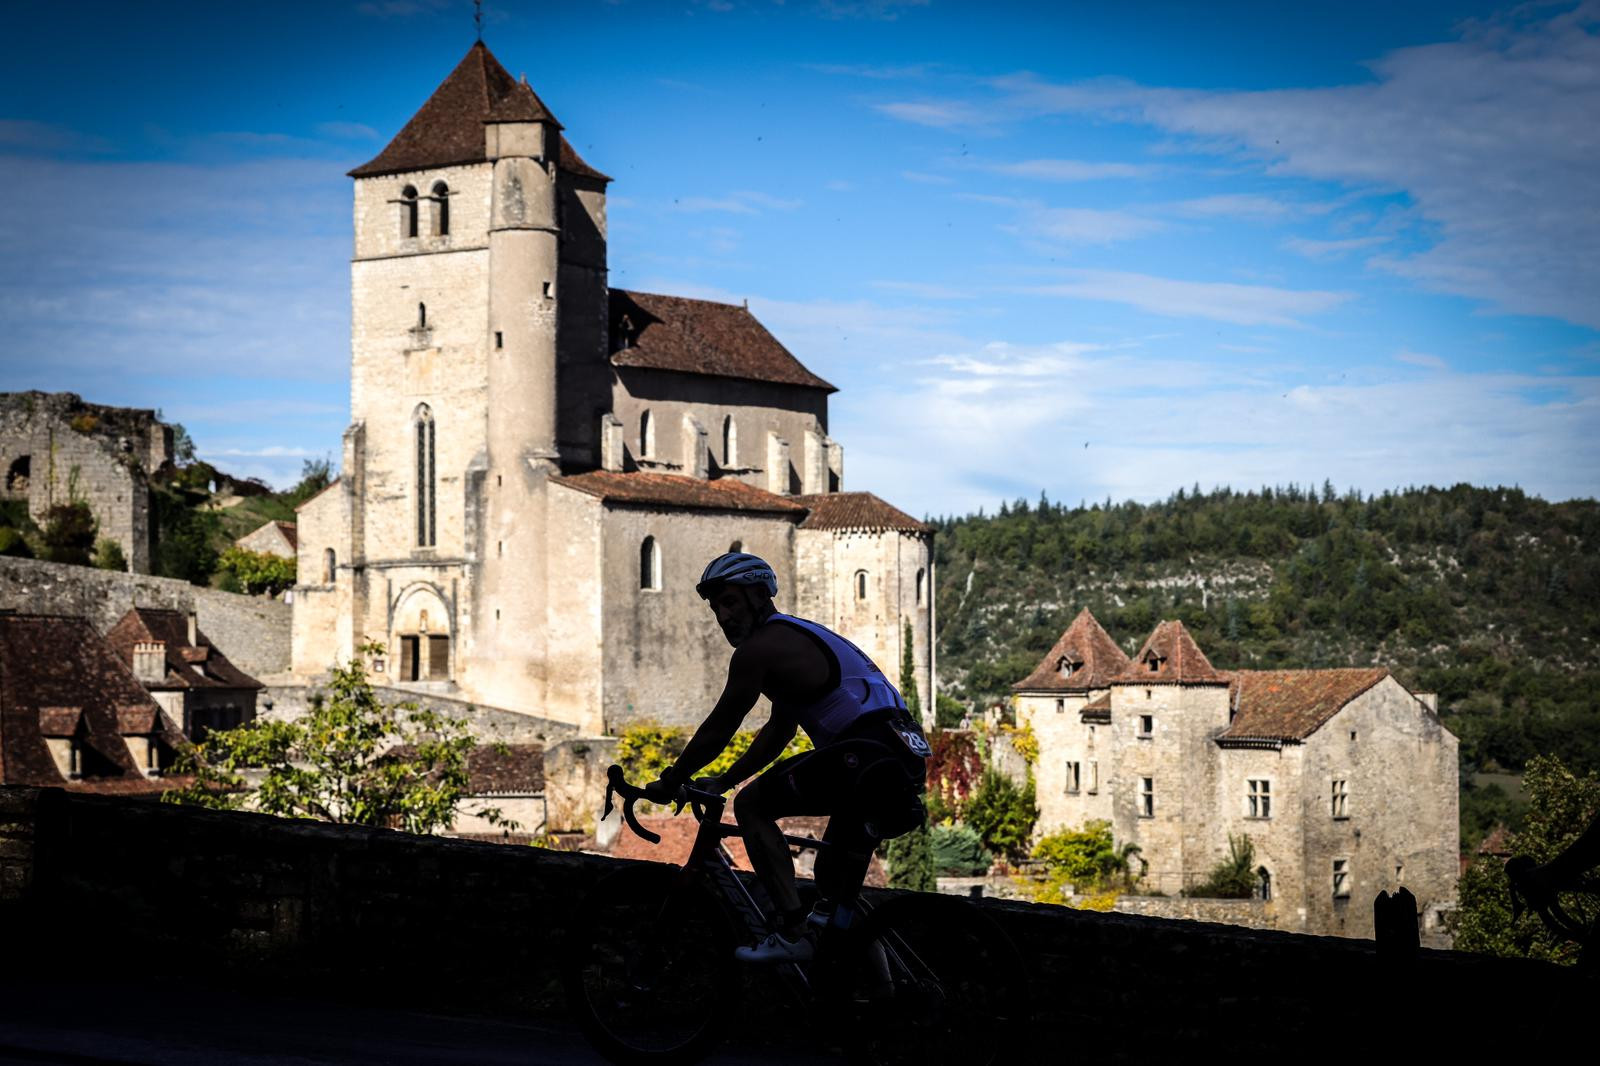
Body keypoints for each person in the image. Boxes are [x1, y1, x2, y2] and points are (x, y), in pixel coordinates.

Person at [645, 551, 931, 964]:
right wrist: (724, 780)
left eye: (730, 602)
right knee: (834, 892)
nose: (722, 617)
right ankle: (882, 995)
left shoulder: (760, 649)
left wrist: (673, 778)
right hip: (898, 755)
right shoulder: (797, 637)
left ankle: (792, 930)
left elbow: (721, 725)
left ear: (760, 596)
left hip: (865, 753)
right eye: (715, 608)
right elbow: (779, 731)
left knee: (752, 806)